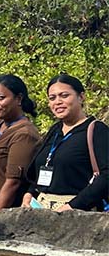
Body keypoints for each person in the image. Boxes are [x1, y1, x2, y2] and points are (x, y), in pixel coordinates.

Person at [22, 74, 108, 212]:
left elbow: (106, 176)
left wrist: (72, 206)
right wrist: (29, 193)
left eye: (64, 95)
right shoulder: (55, 130)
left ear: (81, 97)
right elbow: (44, 166)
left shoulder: (96, 130)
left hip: (78, 214)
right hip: (41, 210)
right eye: (52, 98)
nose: (58, 102)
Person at [0, 74, 41, 215]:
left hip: (1, 210)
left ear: (18, 99)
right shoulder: (1, 125)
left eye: (1, 98)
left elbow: (13, 183)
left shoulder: (24, 134)